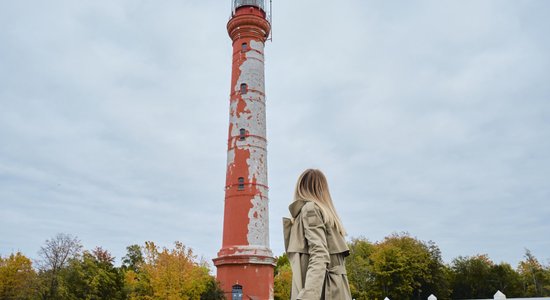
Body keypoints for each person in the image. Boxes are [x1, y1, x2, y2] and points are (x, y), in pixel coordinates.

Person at [283, 169, 352, 299]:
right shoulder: (327, 214)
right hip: (335, 291)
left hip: (322, 292)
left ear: (300, 187)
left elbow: (319, 253)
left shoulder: (311, 210)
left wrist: (307, 296)